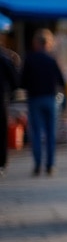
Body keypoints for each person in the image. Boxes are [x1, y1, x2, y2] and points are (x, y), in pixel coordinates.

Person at [19, 30, 65, 176]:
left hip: (34, 99)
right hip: (50, 99)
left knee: (36, 133)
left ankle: (38, 164)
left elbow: (22, 82)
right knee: (51, 133)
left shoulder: (30, 59)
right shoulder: (52, 60)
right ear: (49, 43)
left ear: (36, 43)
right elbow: (62, 81)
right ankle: (50, 165)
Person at [0, 41, 18, 177]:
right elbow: (15, 81)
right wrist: (10, 94)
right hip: (2, 98)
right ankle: (2, 162)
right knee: (2, 131)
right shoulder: (5, 58)